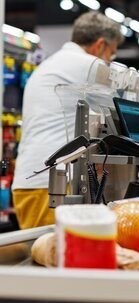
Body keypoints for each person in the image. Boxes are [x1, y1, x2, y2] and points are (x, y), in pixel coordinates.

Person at [12, 12, 124, 229]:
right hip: (51, 186)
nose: (109, 61)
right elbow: (120, 109)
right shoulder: (90, 65)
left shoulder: (52, 64)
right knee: (58, 257)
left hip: (32, 182)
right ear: (100, 45)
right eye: (111, 54)